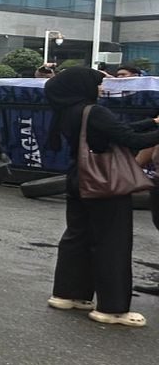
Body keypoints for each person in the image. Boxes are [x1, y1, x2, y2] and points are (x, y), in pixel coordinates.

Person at [41, 67, 159, 327]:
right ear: (82, 86)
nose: (101, 88)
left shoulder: (68, 111)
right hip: (104, 182)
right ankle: (112, 308)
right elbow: (130, 139)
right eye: (98, 83)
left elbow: (116, 130)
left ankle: (68, 294)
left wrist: (152, 123)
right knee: (112, 242)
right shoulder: (94, 111)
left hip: (78, 178)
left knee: (77, 237)